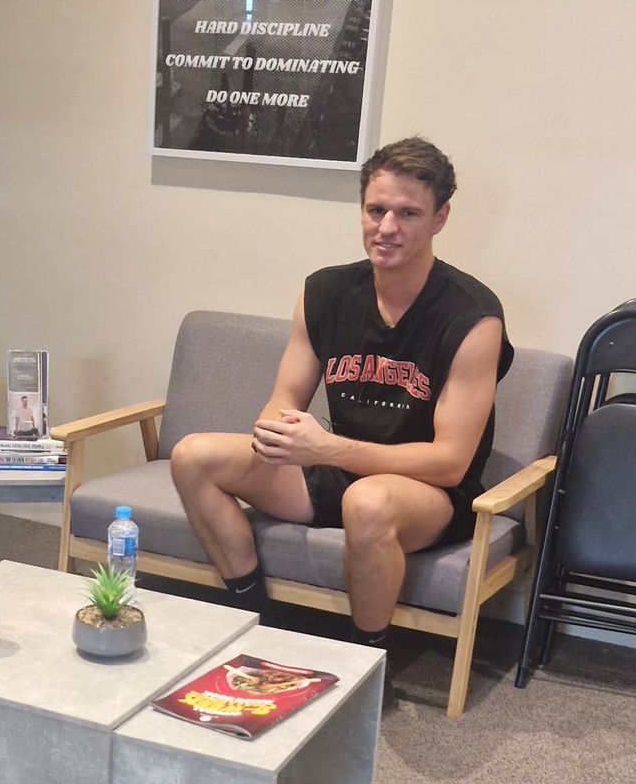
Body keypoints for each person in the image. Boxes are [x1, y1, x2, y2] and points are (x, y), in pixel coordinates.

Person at [170, 135, 512, 656]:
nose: (387, 228)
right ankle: (257, 619)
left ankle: (366, 657)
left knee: (368, 501)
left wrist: (327, 449)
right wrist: (276, 435)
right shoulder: (325, 292)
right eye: (376, 210)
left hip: (427, 493)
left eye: (408, 213)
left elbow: (448, 463)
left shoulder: (472, 318)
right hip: (335, 469)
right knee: (193, 455)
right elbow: (283, 399)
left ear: (440, 218)